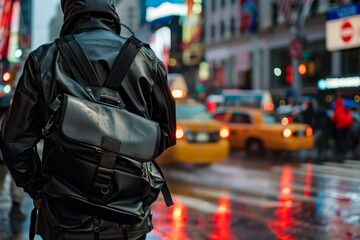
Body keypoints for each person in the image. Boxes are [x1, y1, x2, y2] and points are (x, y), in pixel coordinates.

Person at [0, 0, 176, 239]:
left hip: (64, 218)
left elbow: (15, 142)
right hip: (129, 220)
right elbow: (165, 134)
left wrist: (39, 191)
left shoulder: (44, 59)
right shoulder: (146, 59)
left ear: (68, 8)